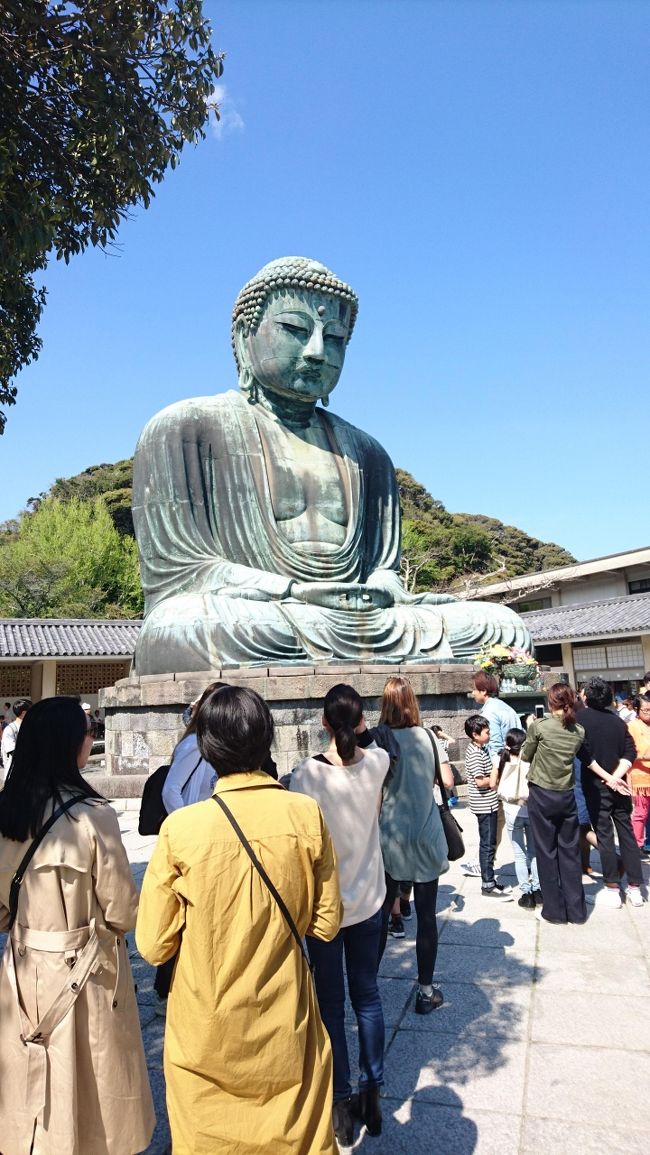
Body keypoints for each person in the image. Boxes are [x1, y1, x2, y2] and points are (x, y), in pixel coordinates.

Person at [131, 256, 531, 674]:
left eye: (335, 338)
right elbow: (181, 575)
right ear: (244, 335)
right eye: (295, 330)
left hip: (359, 620)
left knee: (500, 625)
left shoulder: (367, 452)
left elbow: (383, 570)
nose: (318, 351)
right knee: (181, 626)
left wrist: (379, 589)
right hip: (258, 615)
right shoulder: (183, 429)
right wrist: (293, 591)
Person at [136, 686, 342, 1155]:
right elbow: (327, 923)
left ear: (204, 748)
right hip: (283, 1022)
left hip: (205, 1030)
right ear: (267, 738)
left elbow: (152, 945)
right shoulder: (304, 813)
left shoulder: (181, 830)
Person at [0, 696, 154, 1155]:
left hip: (23, 970)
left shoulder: (8, 813)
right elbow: (123, 911)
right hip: (85, 972)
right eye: (88, 732)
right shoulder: (93, 817)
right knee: (91, 1083)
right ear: (72, 744)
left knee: (30, 1076)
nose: (92, 738)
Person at [290, 685, 389, 1144]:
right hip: (370, 898)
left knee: (332, 1003)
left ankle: (342, 1099)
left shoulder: (305, 775)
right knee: (367, 995)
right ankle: (374, 1089)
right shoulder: (379, 763)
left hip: (324, 908)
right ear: (363, 719)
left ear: (324, 722)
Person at [376, 676, 449, 1015]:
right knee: (426, 916)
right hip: (425, 832)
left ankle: (368, 984)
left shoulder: (378, 740)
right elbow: (443, 779)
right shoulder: (427, 736)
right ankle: (425, 990)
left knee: (380, 912)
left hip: (389, 835)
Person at [521, 684, 587, 924]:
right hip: (566, 795)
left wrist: (530, 727)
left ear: (551, 703)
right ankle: (577, 911)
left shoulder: (539, 726)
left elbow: (525, 755)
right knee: (570, 852)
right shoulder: (578, 731)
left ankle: (554, 911)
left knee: (546, 852)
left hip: (542, 793)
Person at [577, 677, 643, 909]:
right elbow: (630, 751)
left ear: (587, 696)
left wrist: (607, 778)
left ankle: (613, 887)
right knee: (626, 835)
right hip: (621, 786)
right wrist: (617, 777)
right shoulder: (617, 721)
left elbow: (584, 756)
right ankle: (635, 888)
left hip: (596, 786)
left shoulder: (580, 719)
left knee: (604, 836)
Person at [464, 714, 512, 901]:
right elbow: (479, 782)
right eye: (486, 732)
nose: (490, 734)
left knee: (490, 842)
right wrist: (495, 771)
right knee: (487, 844)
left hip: (489, 802)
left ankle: (490, 880)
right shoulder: (475, 753)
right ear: (475, 734)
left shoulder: (481, 748)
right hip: (484, 803)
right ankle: (487, 884)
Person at [497, 728, 540, 908]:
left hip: (511, 810)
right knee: (534, 852)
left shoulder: (501, 758)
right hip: (530, 809)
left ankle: (526, 893)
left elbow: (494, 784)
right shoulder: (532, 759)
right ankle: (538, 889)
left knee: (519, 854)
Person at [627, 693, 650, 855]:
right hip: (640, 777)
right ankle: (637, 844)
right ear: (637, 710)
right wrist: (644, 757)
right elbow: (629, 752)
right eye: (645, 710)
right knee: (640, 813)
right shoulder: (632, 726)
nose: (648, 713)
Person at [0, 697, 32, 783]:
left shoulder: (31, 728)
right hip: (14, 776)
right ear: (24, 713)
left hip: (29, 775)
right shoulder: (10, 729)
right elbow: (14, 752)